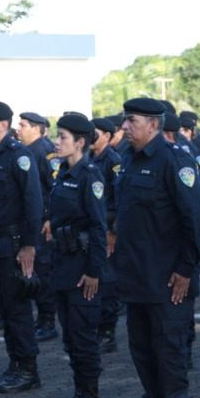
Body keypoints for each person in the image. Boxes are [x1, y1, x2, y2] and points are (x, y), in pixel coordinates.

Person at [115, 97, 200, 398]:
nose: (125, 127)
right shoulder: (128, 161)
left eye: (131, 121)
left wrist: (186, 268)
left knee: (168, 351)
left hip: (169, 280)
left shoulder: (174, 161)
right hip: (136, 277)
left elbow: (194, 218)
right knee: (142, 352)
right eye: (125, 121)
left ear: (153, 125)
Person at [0, 101, 44, 393]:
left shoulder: (19, 156)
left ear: (2, 124)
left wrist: (29, 245)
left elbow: (33, 202)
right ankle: (14, 364)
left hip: (13, 244)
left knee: (17, 309)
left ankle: (28, 369)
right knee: (3, 308)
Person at [46, 113, 107, 398]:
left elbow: (98, 227)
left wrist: (95, 271)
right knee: (70, 336)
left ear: (80, 142)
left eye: (63, 137)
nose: (57, 142)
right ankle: (78, 394)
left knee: (83, 337)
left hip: (83, 269)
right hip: (63, 265)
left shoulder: (89, 176)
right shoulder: (64, 173)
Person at [17, 110, 59, 342]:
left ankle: (48, 320)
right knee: (33, 271)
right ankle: (41, 318)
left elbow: (56, 187)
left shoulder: (45, 152)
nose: (18, 129)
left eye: (23, 125)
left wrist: (51, 218)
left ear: (37, 128)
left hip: (43, 223)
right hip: (30, 221)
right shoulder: (25, 152)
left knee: (43, 270)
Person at [89, 117, 123, 353]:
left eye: (96, 133)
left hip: (108, 228)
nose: (91, 137)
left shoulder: (113, 162)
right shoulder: (88, 160)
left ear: (108, 136)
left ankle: (108, 333)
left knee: (108, 282)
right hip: (93, 227)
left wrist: (113, 232)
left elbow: (121, 201)